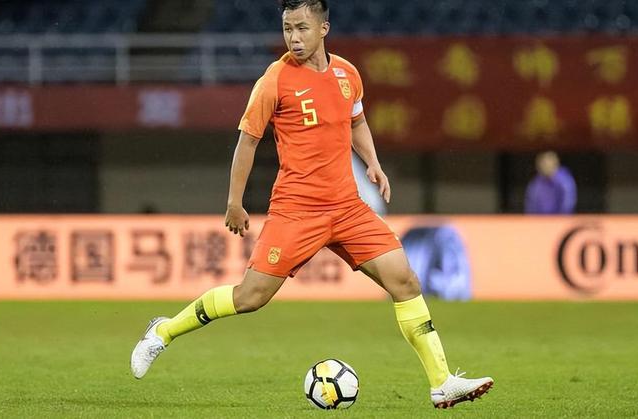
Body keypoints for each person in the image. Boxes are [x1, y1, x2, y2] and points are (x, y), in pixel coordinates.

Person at [130, 0, 493, 409]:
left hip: (348, 207)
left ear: (324, 28)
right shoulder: (275, 79)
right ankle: (163, 331)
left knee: (405, 281)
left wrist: (373, 162)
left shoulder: (347, 74)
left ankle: (442, 382)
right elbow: (248, 141)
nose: (294, 37)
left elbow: (357, 121)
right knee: (250, 298)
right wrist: (234, 202)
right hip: (297, 210)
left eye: (302, 28)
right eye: (287, 28)